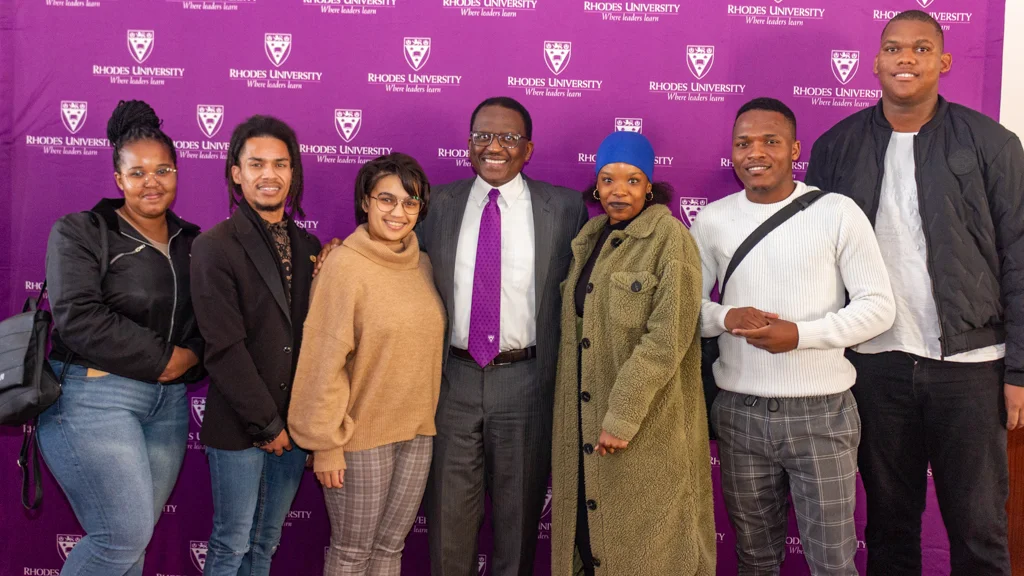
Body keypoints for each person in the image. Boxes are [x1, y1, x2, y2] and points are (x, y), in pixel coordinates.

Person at [805, 10, 1024, 576]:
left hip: (972, 365)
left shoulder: (992, 143)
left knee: (979, 529)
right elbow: (815, 261)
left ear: (943, 62)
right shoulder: (837, 146)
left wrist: (1019, 371)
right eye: (895, 48)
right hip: (874, 365)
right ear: (876, 63)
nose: (907, 59)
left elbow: (1019, 256)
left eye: (922, 49)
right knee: (890, 525)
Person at [691, 97, 895, 576]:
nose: (755, 152)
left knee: (832, 562)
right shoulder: (712, 219)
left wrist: (800, 335)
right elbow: (686, 312)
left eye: (770, 141)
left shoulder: (837, 212)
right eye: (743, 143)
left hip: (822, 415)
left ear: (795, 149)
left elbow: (878, 307)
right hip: (740, 415)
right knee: (756, 559)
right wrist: (727, 317)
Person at [421, 96, 588, 576]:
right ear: (469, 143)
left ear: (528, 148)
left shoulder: (564, 207)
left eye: (508, 137)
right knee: (449, 531)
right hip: (451, 382)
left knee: (517, 535)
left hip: (528, 383)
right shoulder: (436, 204)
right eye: (482, 136)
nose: (494, 146)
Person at [37, 99, 204, 576]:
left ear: (178, 172)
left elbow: (215, 321)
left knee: (132, 545)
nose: (151, 182)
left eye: (163, 170)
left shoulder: (194, 242)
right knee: (120, 539)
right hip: (93, 398)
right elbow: (79, 317)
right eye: (137, 173)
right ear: (118, 179)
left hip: (167, 408)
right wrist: (169, 359)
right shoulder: (83, 231)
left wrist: (191, 361)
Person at [550, 131, 716, 576]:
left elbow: (666, 339)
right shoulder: (589, 238)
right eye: (607, 179)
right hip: (584, 427)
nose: (618, 191)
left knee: (648, 552)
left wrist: (620, 415)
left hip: (645, 429)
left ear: (650, 186)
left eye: (632, 180)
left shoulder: (671, 240)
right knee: (586, 543)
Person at [288, 153, 445, 576]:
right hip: (358, 439)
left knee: (390, 551)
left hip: (417, 435)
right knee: (352, 553)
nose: (398, 212)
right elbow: (322, 363)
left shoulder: (423, 265)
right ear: (365, 201)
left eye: (410, 203)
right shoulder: (343, 266)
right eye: (386, 200)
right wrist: (325, 444)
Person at [190, 115, 322, 576]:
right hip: (242, 426)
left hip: (295, 427)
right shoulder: (215, 246)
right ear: (236, 172)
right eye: (257, 164)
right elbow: (224, 347)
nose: (270, 175)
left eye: (281, 164)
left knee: (265, 544)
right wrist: (267, 425)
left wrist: (296, 425)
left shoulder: (310, 246)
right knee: (231, 543)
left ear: (294, 173)